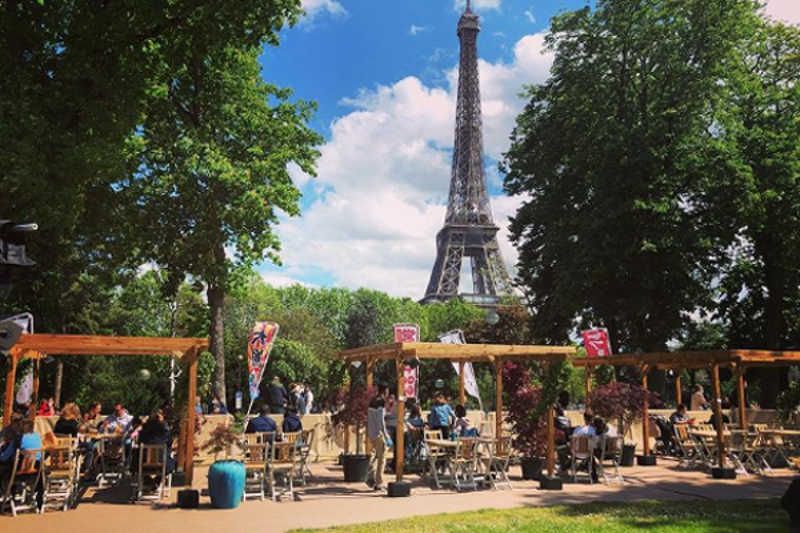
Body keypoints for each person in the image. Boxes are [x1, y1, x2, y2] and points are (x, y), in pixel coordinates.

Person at [366, 396, 388, 491]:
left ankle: (370, 476)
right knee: (382, 458)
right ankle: (379, 481)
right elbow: (381, 424)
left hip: (372, 435)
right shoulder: (380, 409)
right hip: (379, 435)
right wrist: (386, 435)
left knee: (374, 456)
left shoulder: (370, 410)